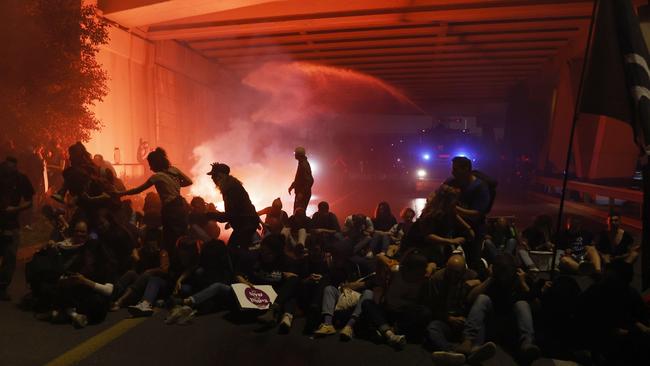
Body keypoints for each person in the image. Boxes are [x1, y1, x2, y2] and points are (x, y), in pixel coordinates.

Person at [460, 254, 539, 364]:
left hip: (512, 323)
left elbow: (536, 305)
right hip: (492, 320)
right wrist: (490, 279)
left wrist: (523, 283)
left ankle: (527, 344)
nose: (504, 277)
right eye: (501, 272)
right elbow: (470, 298)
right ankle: (469, 341)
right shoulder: (491, 277)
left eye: (507, 272)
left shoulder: (521, 278)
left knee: (522, 304)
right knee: (482, 298)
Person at [117, 148, 192, 254]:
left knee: (170, 239)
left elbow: (138, 189)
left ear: (155, 163)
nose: (150, 167)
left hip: (170, 210)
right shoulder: (174, 170)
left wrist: (121, 193)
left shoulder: (157, 177)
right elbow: (189, 181)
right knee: (183, 235)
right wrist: (176, 184)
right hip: (181, 205)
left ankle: (172, 262)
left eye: (150, 163)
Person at [402, 185, 474, 273]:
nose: (455, 202)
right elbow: (428, 236)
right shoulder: (430, 213)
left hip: (431, 246)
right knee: (433, 264)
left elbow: (455, 215)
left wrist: (468, 228)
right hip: (417, 247)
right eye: (453, 200)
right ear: (445, 201)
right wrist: (452, 241)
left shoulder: (448, 209)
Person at [426, 255, 480, 366]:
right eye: (450, 271)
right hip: (446, 320)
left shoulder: (472, 276)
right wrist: (449, 318)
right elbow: (432, 307)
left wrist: (479, 283)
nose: (453, 275)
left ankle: (473, 349)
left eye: (457, 273)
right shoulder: (437, 279)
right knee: (432, 328)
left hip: (466, 320)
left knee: (478, 323)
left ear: (464, 270)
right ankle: (452, 352)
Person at [205, 162, 259, 265]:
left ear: (220, 176)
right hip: (246, 223)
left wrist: (210, 214)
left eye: (213, 176)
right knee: (237, 251)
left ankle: (241, 274)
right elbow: (239, 210)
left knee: (233, 252)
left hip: (245, 225)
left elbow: (231, 214)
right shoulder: (232, 186)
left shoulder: (231, 189)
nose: (212, 179)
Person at [444, 156, 492, 271]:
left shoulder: (480, 187)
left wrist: (454, 208)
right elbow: (439, 197)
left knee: (472, 261)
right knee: (448, 259)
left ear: (466, 169)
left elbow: (477, 213)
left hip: (474, 230)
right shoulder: (451, 182)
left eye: (456, 169)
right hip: (453, 228)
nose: (452, 172)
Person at [0, 156, 35, 300]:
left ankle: (2, 287)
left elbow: (29, 201)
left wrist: (16, 209)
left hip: (11, 223)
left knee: (9, 256)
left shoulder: (21, 179)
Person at [288, 146, 313, 214]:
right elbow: (299, 179)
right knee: (298, 212)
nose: (294, 155)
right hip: (301, 193)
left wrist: (302, 193)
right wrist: (292, 186)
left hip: (303, 194)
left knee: (299, 213)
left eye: (295, 153)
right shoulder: (301, 163)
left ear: (299, 155)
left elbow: (310, 181)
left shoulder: (304, 165)